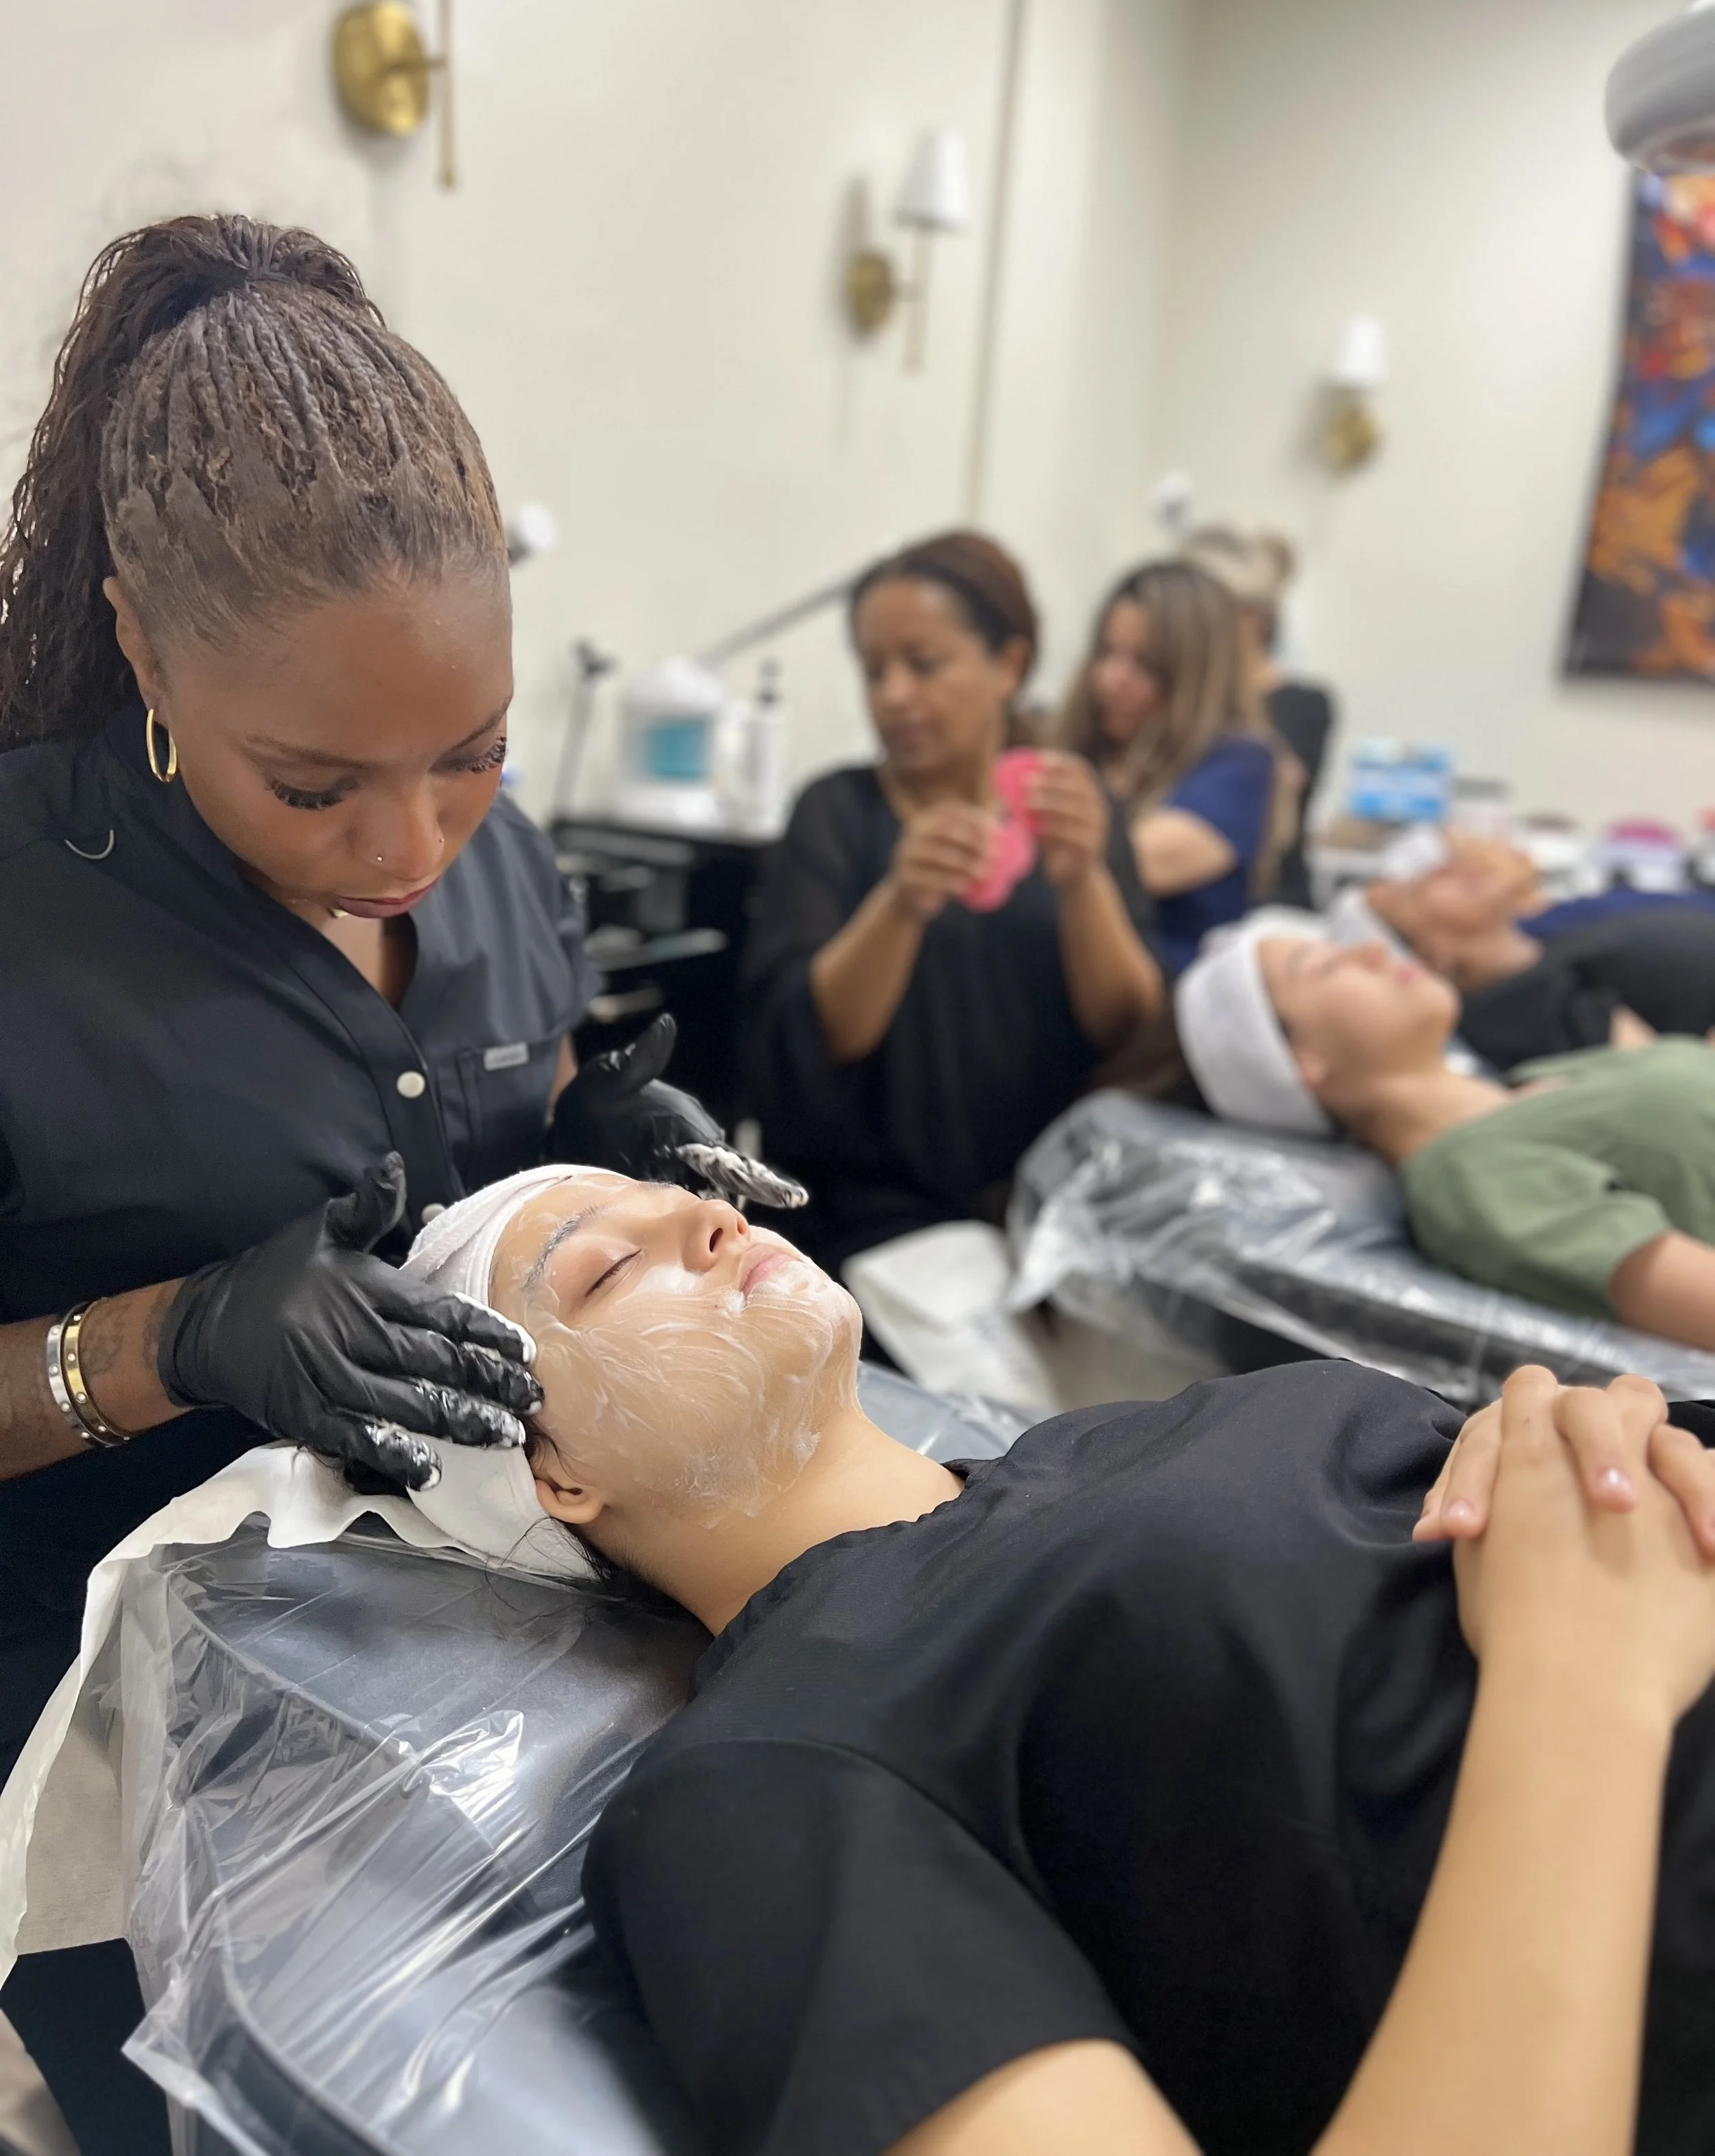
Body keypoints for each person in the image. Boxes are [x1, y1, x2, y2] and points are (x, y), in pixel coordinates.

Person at [0, 214, 782, 2153]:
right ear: (140, 640)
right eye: (315, 783)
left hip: (482, 1658)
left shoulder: (489, 860)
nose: (412, 839)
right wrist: (165, 1339)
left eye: (473, 755)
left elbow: (481, 1133)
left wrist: (592, 1150)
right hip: (109, 1737)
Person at [401, 1164, 1715, 2156]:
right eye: (603, 1272)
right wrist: (1580, 1675)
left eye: (688, 1197)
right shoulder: (758, 1778)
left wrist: (1599, 1450)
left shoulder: (1133, 1434)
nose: (710, 1218)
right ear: (553, 1472)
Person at [740, 532, 1161, 1276]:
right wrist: (900, 901)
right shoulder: (838, 812)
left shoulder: (1070, 806)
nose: (894, 694)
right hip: (874, 1228)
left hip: (1049, 1218)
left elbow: (1127, 1029)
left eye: (923, 664)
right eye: (874, 671)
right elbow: (808, 1037)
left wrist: (1083, 880)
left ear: (1009, 664)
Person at [1177, 918, 1715, 1350]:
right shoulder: (1475, 1176)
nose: (1372, 950)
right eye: (1325, 966)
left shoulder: (1536, 1077)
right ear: (1300, 1063)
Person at [1056, 559, 1286, 970]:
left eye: (1144, 666)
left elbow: (1132, 865)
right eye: (1106, 653)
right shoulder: (1087, 752)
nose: (1112, 679)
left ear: (1195, 676)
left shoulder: (1241, 763)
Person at [1329, 830, 1715, 1071]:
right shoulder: (1518, 1007)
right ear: (1430, 955)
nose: (1444, 869)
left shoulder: (1540, 959)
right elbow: (1670, 1082)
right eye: (1415, 892)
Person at [1182, 525, 1333, 909]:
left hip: (1270, 904)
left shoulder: (1302, 706)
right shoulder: (1184, 700)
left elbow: (1280, 787)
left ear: (1253, 618)